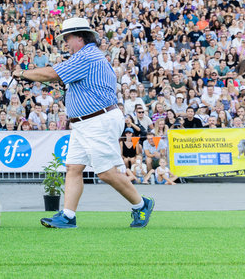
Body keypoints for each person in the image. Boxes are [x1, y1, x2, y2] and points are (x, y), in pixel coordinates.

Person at [13, 17, 153, 229]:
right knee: (73, 167)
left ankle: (141, 205)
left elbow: (51, 73)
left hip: (96, 120)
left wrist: (22, 73)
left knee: (105, 172)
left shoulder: (86, 56)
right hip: (87, 121)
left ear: (80, 37)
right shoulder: (88, 56)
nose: (65, 43)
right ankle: (68, 216)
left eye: (67, 38)